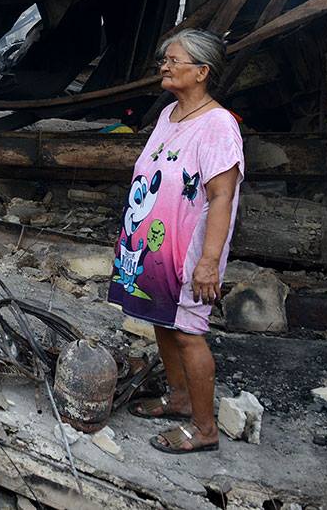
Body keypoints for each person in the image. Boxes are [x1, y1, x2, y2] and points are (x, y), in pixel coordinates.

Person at [112, 29, 243, 455]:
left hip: (188, 253)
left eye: (173, 61)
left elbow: (221, 196)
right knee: (162, 320)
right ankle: (180, 396)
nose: (164, 67)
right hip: (153, 247)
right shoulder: (169, 114)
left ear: (202, 72)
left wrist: (209, 260)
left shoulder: (218, 125)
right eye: (164, 60)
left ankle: (204, 429)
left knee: (188, 331)